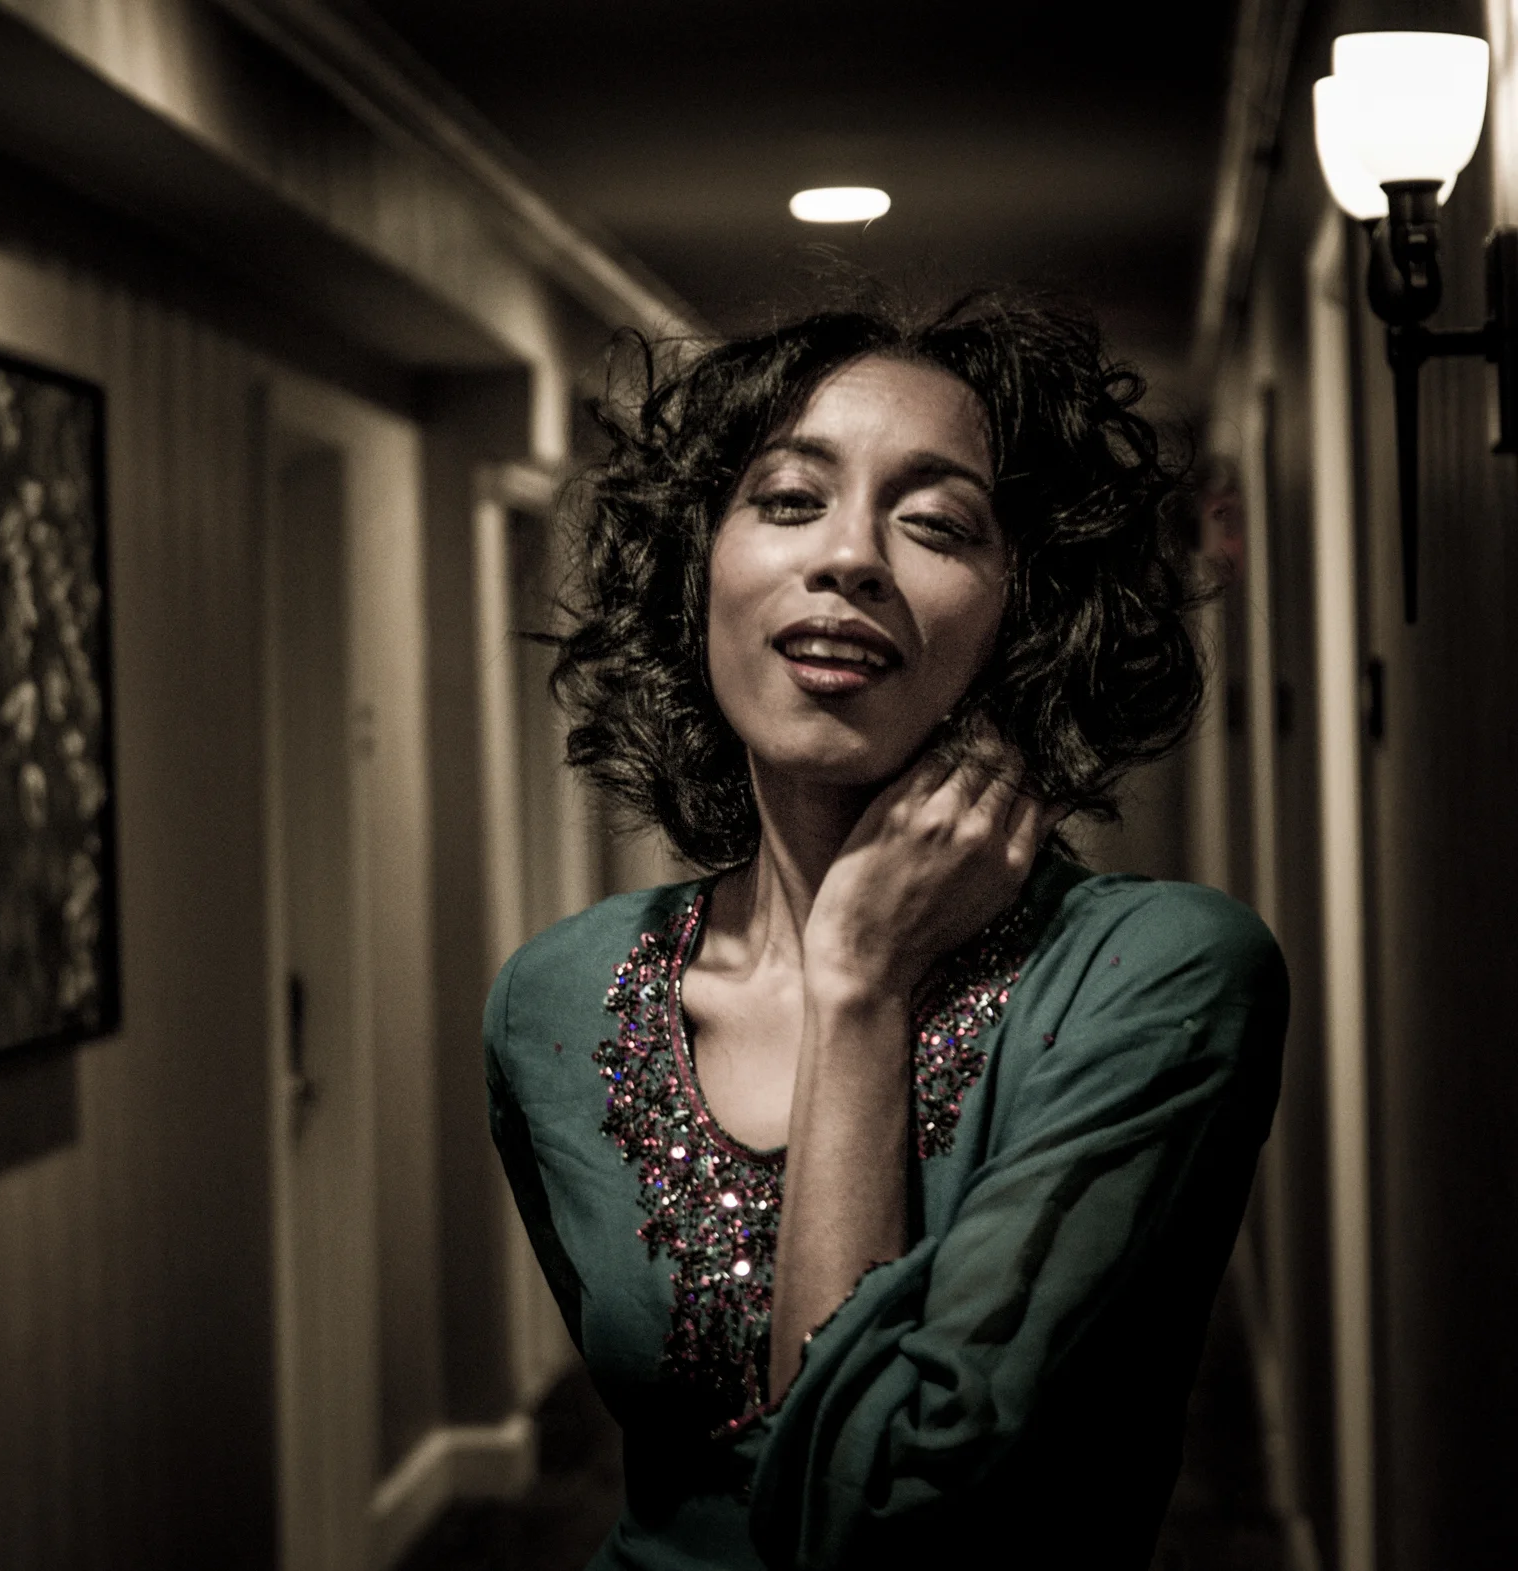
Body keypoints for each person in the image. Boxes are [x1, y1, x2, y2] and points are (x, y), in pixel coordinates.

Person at [482, 293, 1288, 1570]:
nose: (848, 556)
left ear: (1025, 612)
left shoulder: (1161, 975)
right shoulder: (554, 996)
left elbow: (882, 1535)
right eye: (790, 500)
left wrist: (856, 984)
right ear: (703, 571)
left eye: (934, 523)